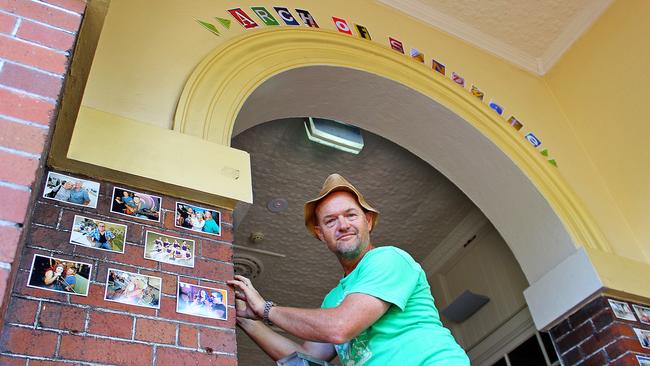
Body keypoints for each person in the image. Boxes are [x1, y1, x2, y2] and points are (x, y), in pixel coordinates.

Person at [228, 174, 470, 365]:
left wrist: (265, 309)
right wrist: (247, 319)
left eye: (351, 215)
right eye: (330, 221)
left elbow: (340, 327)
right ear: (321, 235)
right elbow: (304, 356)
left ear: (369, 221)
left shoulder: (388, 259)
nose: (343, 225)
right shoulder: (334, 300)